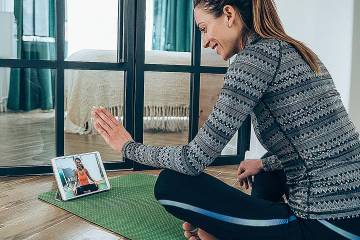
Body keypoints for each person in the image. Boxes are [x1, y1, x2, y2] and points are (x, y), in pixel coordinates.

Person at [91, 0, 360, 239]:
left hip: (327, 223)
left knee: (171, 183)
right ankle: (242, 225)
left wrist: (128, 147)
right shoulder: (297, 50)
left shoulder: (253, 60)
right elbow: (320, 146)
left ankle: (237, 229)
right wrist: (263, 163)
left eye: (204, 28)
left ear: (229, 14)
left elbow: (193, 159)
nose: (205, 40)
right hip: (353, 209)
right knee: (266, 170)